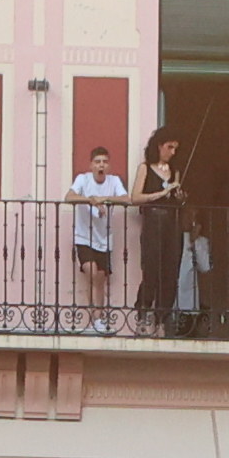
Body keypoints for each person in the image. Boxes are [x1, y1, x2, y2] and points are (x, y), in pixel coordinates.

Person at [135, 126, 194, 338]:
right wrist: (161, 193)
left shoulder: (175, 171)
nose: (173, 152)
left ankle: (162, 319)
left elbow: (179, 199)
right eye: (170, 147)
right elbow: (136, 197)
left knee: (171, 272)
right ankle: (143, 315)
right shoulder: (146, 168)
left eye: (176, 148)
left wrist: (178, 196)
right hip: (153, 222)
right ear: (159, 146)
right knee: (151, 269)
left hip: (172, 224)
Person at [69, 142, 129, 333]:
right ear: (91, 165)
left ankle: (98, 320)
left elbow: (126, 199)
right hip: (84, 237)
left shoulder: (114, 181)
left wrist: (105, 199)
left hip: (104, 240)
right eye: (97, 162)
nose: (101, 165)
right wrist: (90, 200)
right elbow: (69, 196)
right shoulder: (83, 180)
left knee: (100, 280)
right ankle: (95, 318)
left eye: (104, 162)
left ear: (108, 165)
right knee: (92, 273)